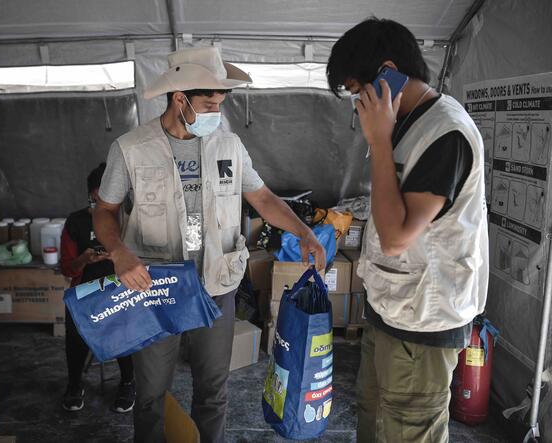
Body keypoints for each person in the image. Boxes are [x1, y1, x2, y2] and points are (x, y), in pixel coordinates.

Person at [93, 47, 326, 443]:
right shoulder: (130, 149)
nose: (215, 114)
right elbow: (105, 210)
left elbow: (264, 198)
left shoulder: (228, 146)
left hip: (216, 286)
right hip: (156, 289)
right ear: (179, 98)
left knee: (213, 392)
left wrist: (303, 232)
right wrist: (119, 252)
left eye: (219, 104)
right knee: (150, 395)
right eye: (208, 104)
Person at [327, 18, 488, 442]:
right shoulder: (406, 124)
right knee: (372, 414)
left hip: (425, 324)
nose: (358, 103)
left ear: (387, 74)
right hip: (391, 310)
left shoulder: (445, 133)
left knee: (407, 431)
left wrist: (378, 142)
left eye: (357, 91)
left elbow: (398, 237)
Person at [60, 162, 135, 413]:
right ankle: (74, 384)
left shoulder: (129, 221)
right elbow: (67, 268)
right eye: (98, 194)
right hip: (86, 291)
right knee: (75, 328)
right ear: (92, 194)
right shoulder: (76, 222)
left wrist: (119, 257)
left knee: (126, 327)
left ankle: (128, 382)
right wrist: (84, 258)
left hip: (121, 288)